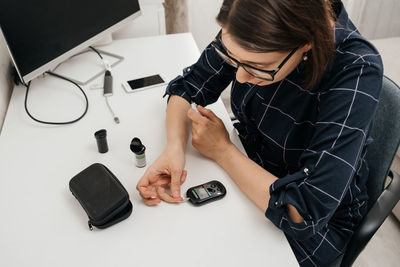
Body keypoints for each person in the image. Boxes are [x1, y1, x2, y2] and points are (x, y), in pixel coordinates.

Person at [136, 0, 383, 266]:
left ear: (306, 43)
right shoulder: (250, 22)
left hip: (316, 228)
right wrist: (174, 146)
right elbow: (191, 84)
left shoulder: (355, 67)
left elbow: (304, 212)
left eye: (256, 66)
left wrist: (223, 151)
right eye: (232, 59)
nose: (239, 77)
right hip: (251, 166)